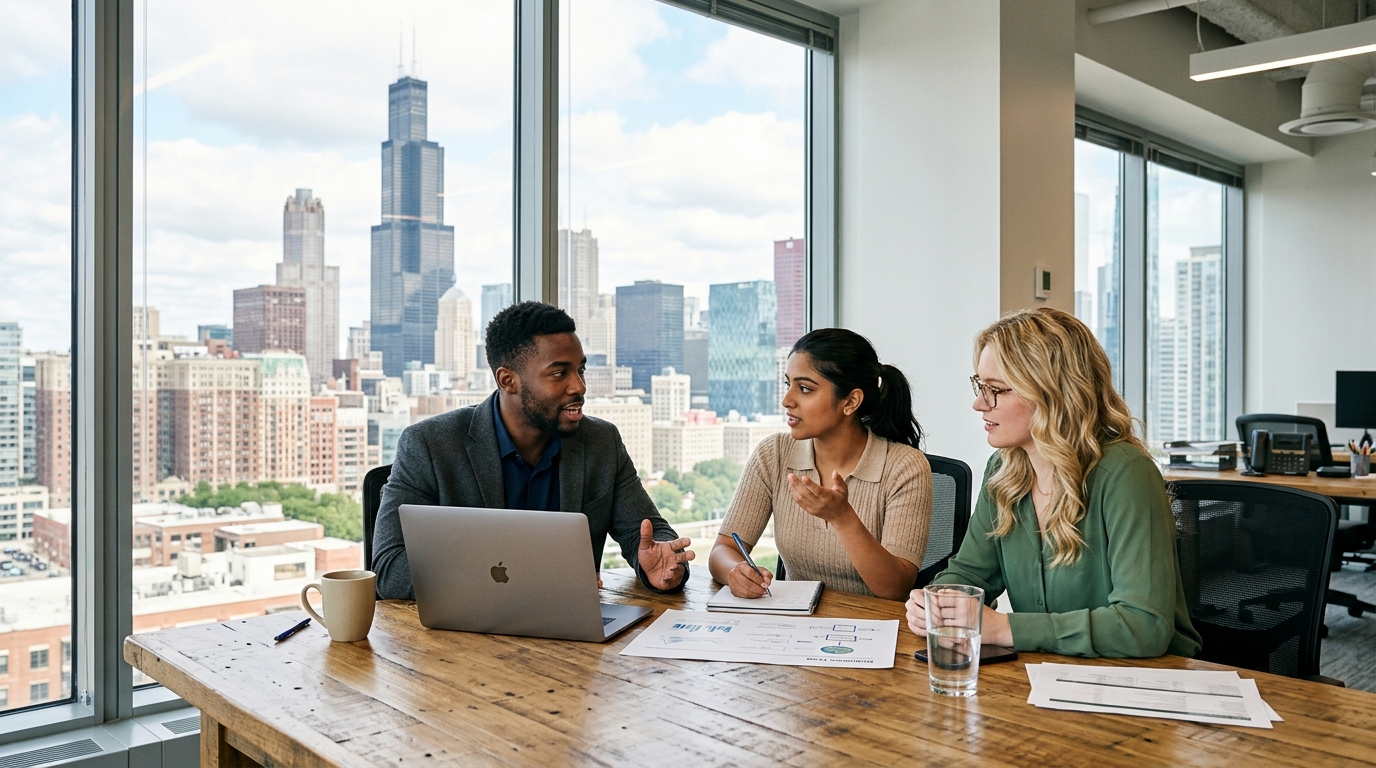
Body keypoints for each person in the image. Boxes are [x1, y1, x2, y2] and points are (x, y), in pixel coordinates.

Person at [907, 308, 1200, 658]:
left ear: (1051, 393)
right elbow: (970, 574)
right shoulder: (1004, 469)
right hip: (1045, 674)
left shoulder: (1126, 473)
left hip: (1146, 682)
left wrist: (1005, 628)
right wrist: (936, 604)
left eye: (995, 390)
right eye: (979, 386)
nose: (978, 403)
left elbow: (1143, 626)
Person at [371, 301, 693, 600]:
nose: (579, 386)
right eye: (559, 373)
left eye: (580, 370)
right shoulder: (429, 445)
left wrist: (662, 567)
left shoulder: (601, 442)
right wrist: (523, 579)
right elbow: (389, 568)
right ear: (508, 381)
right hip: (464, 644)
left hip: (571, 642)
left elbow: (651, 535)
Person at [708, 328, 933, 600]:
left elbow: (895, 589)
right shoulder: (774, 453)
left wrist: (842, 517)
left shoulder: (905, 467)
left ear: (850, 401)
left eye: (804, 389)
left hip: (872, 629)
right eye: (787, 384)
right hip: (794, 626)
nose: (787, 400)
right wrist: (735, 571)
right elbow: (723, 550)